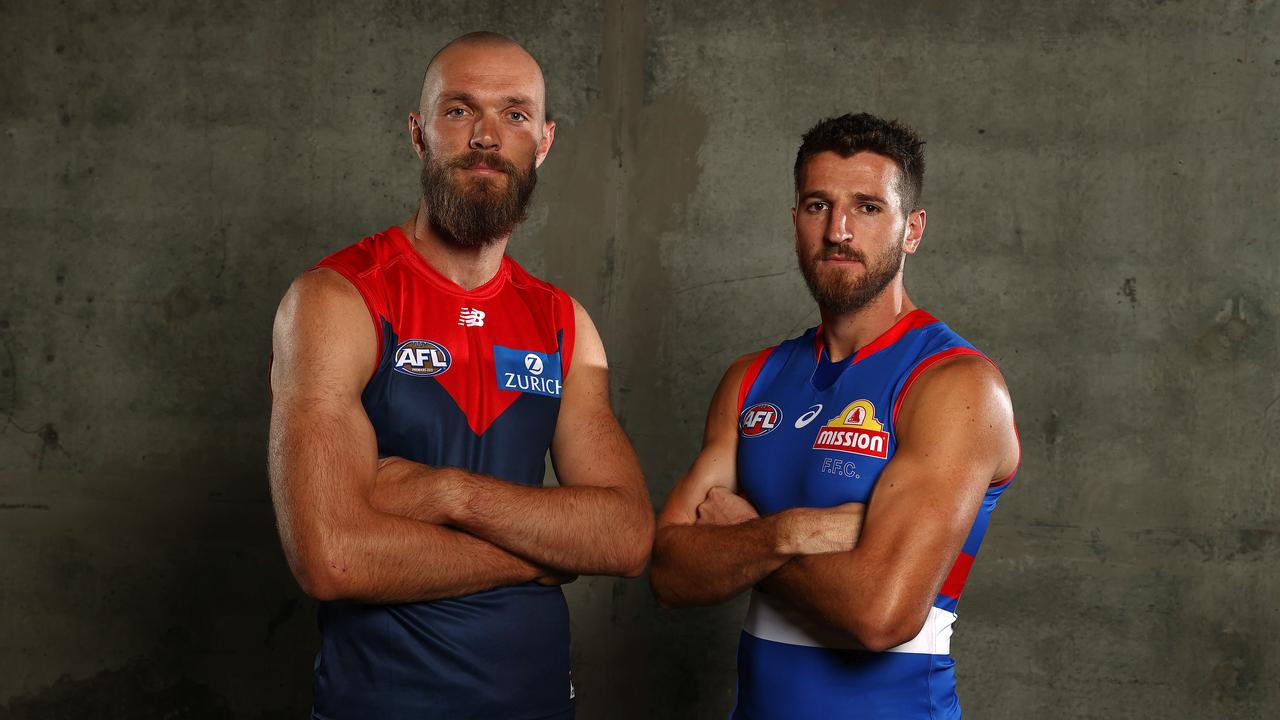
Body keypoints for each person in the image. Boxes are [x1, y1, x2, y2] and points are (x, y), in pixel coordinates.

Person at [268, 32, 653, 720]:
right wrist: (538, 555)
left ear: (544, 141)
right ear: (418, 135)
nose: (486, 135)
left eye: (515, 114)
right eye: (458, 111)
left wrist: (447, 494)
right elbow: (333, 559)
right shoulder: (338, 300)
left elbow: (624, 534)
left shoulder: (564, 323)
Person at [650, 113, 1020, 719]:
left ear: (912, 230)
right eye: (819, 205)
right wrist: (792, 530)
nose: (839, 231)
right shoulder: (751, 380)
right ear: (795, 220)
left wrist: (744, 539)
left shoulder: (955, 386)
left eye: (869, 207)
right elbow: (669, 573)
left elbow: (881, 614)